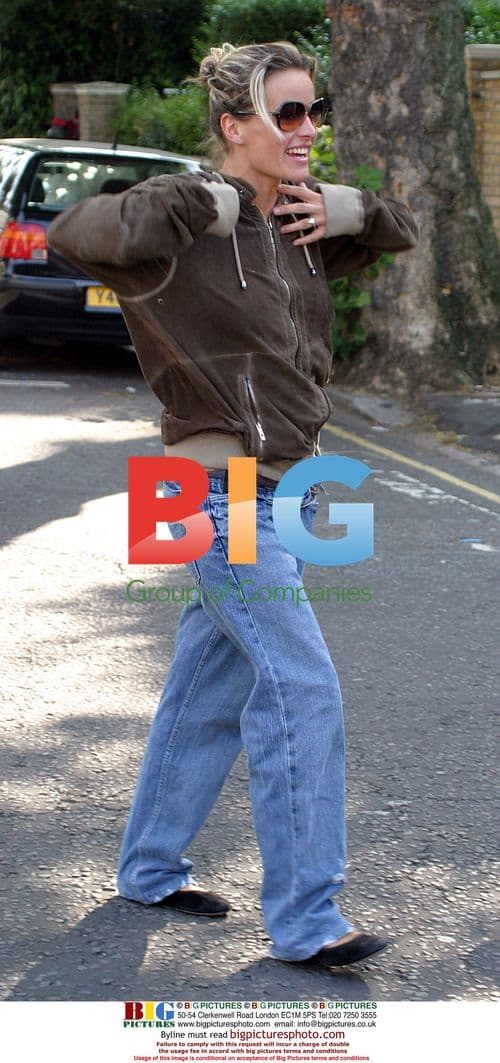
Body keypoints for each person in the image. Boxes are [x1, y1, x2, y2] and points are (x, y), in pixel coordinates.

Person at [48, 41, 418, 970]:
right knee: (301, 686)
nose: (307, 131)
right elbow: (72, 231)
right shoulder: (181, 232)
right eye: (285, 113)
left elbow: (402, 230)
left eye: (312, 110)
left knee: (210, 683)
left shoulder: (297, 225)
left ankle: (149, 866)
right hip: (213, 489)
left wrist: (353, 208)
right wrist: (189, 199)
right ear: (232, 125)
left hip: (293, 482)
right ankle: (307, 917)